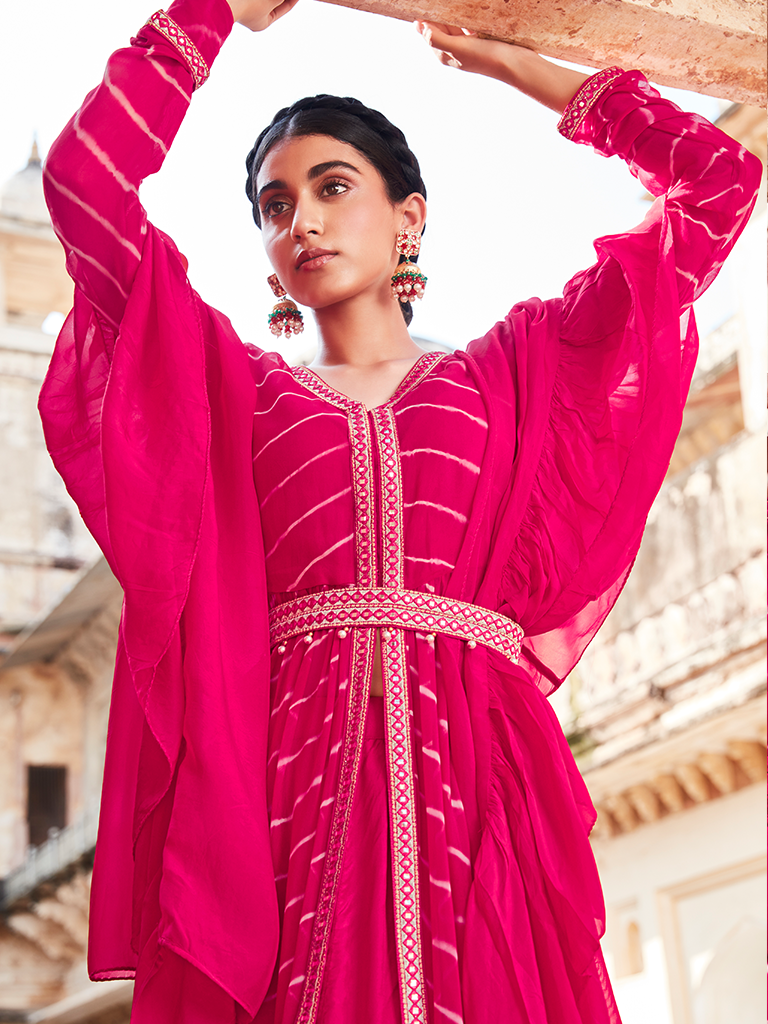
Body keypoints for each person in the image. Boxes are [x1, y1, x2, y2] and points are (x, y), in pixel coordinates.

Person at [39, 0, 760, 1020]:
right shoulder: (234, 389)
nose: (305, 222)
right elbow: (85, 186)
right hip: (290, 798)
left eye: (334, 187)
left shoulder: (522, 372)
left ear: (408, 214)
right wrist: (213, 16)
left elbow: (720, 183)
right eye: (275, 205)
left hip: (482, 794)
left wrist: (528, 71)